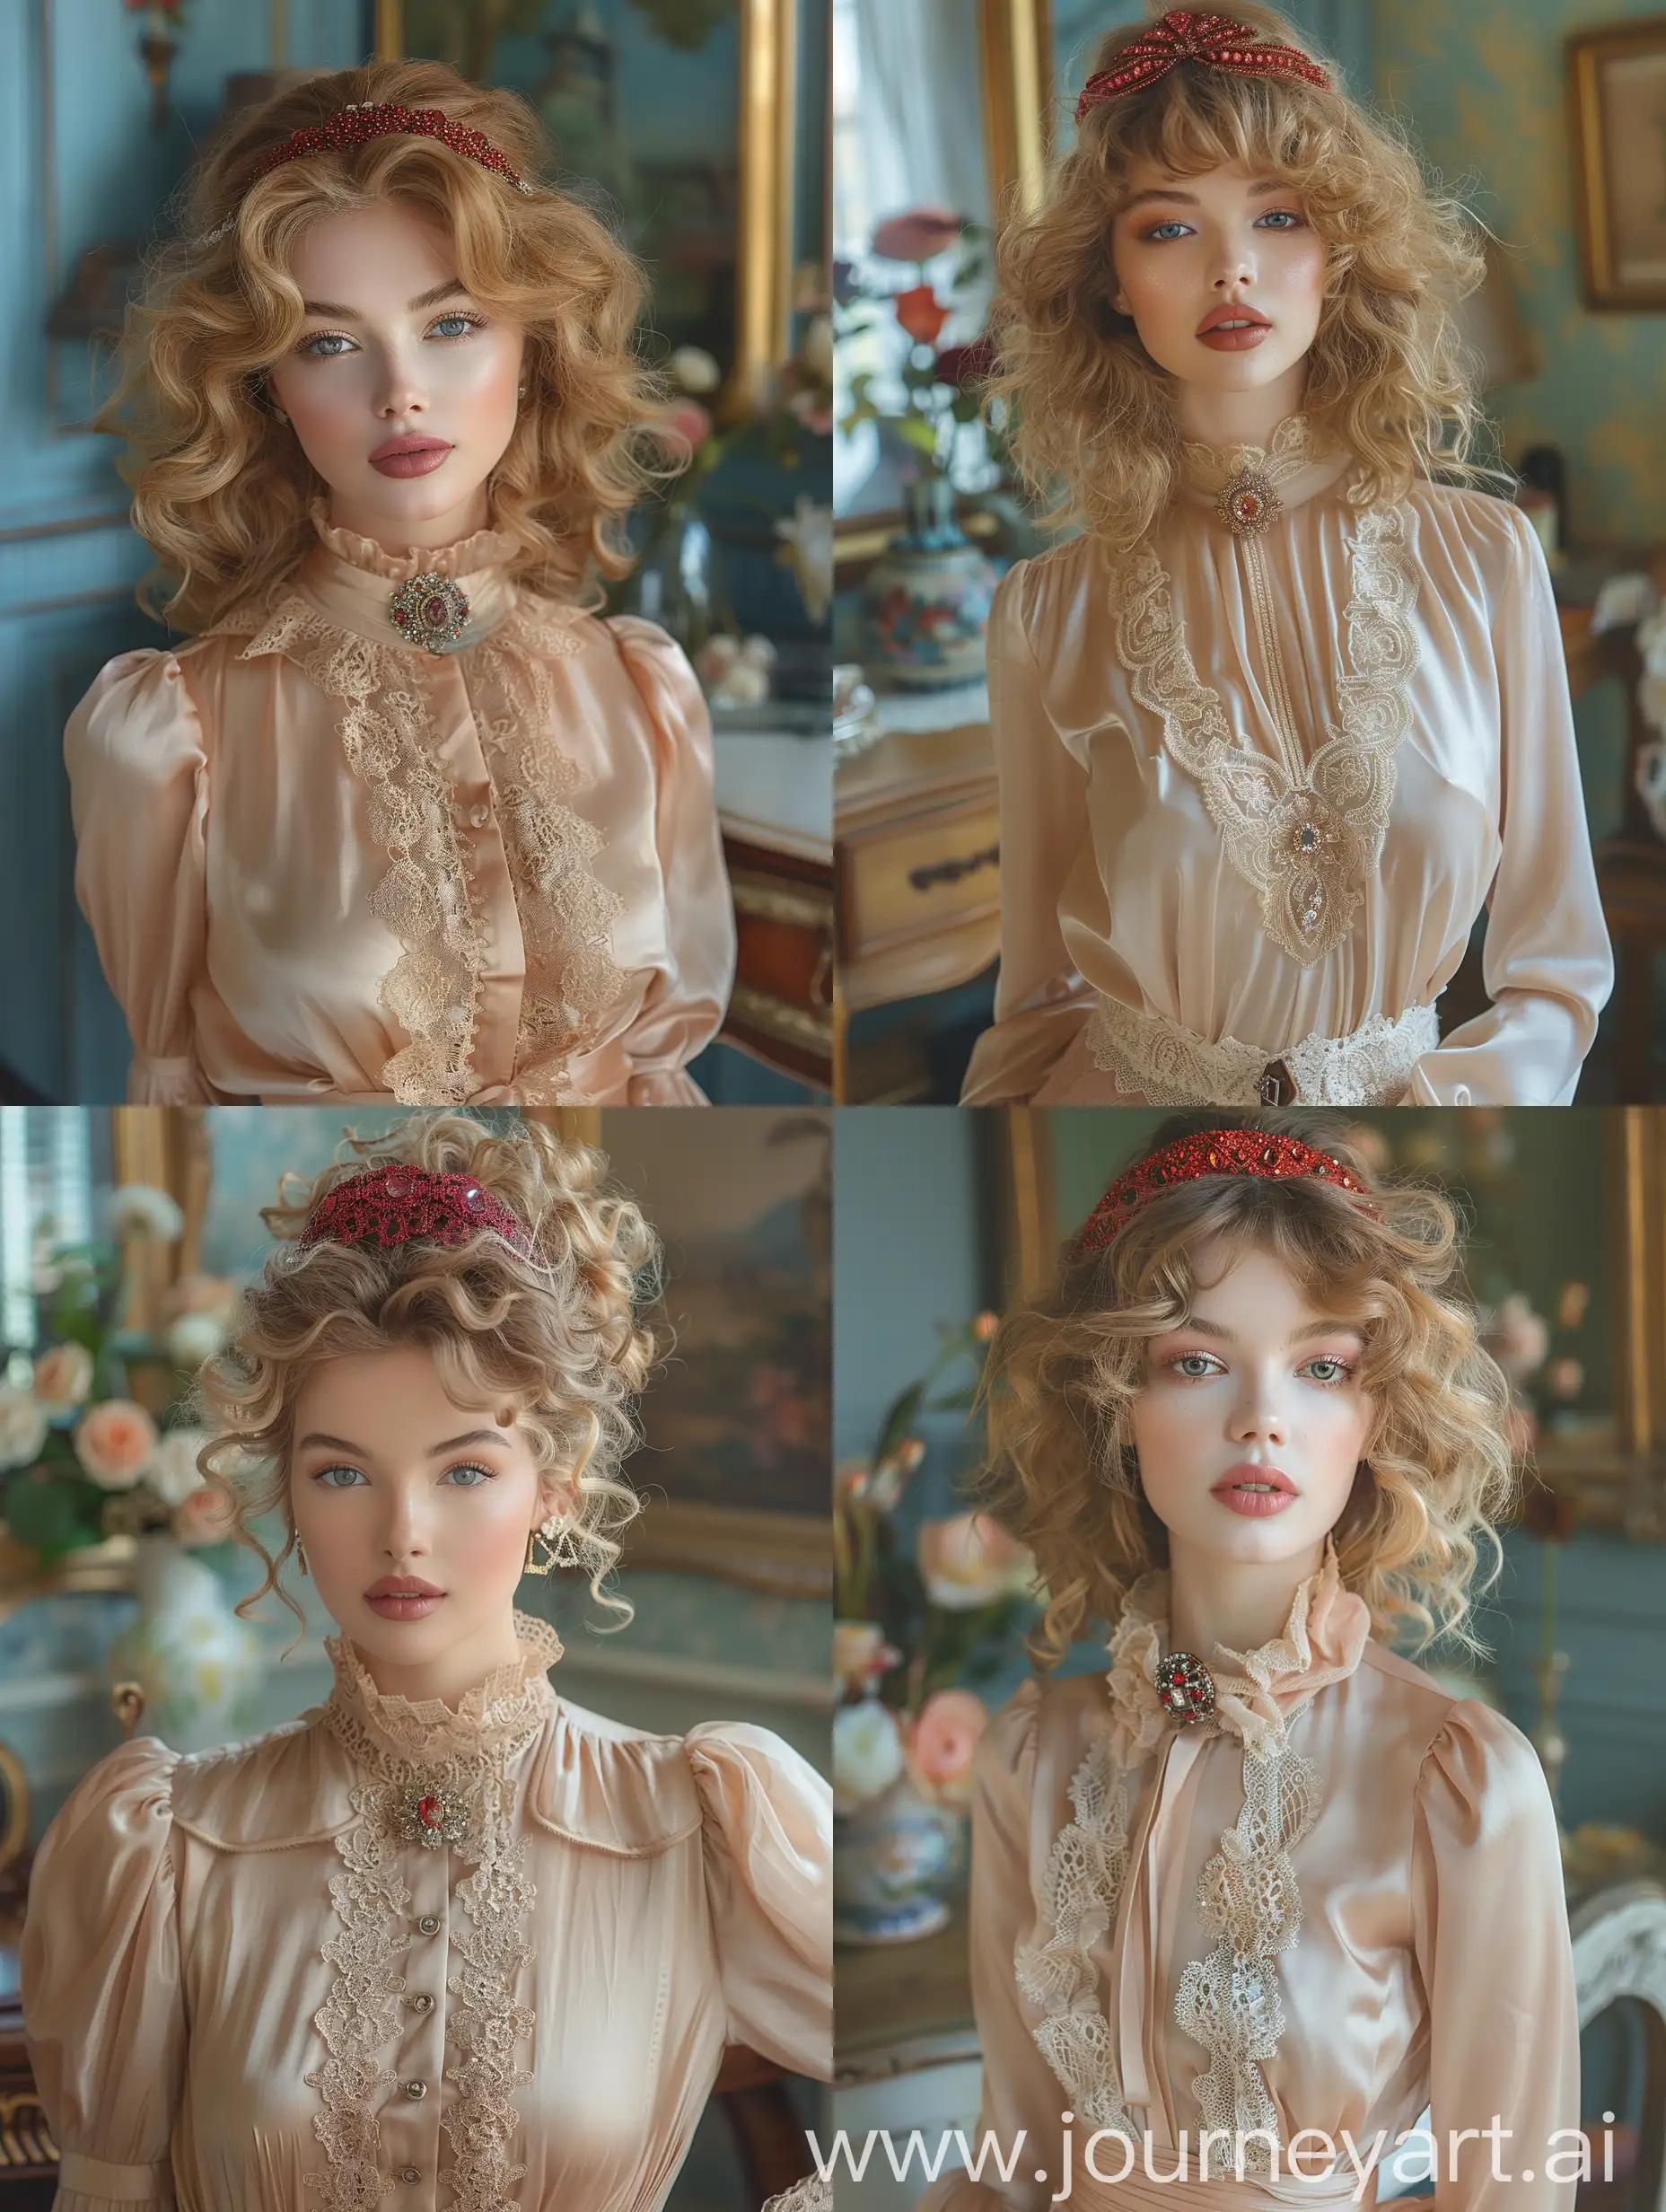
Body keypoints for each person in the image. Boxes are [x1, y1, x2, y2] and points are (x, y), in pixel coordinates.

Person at [21, 1114, 830, 2212]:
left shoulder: (706, 1821)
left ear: (553, 1481)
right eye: (343, 1475)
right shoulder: (166, 1848)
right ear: (289, 1492)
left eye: (462, 1472)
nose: (402, 1533)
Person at [918, 1113, 1578, 2209]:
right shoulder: (1031, 1758)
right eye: (1194, 1362)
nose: (1260, 1419)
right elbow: (1015, 2162)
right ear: (1116, 1403)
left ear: (1374, 1412)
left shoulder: (1455, 1782)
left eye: (1321, 1365)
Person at [960, 5, 1611, 1108]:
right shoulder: (1043, 615)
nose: (1231, 270)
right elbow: (1035, 1006)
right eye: (1168, 228)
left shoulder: (1485, 560)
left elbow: (1554, 972)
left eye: (1276, 217)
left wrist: (1441, 1109)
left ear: (1339, 249)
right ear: (1111, 279)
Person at [66, 62, 735, 1107]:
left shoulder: (643, 693)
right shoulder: (165, 733)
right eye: (329, 343)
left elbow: (660, 1075)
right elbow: (170, 1088)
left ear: (533, 344)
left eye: (451, 323)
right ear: (268, 390)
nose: (401, 394)